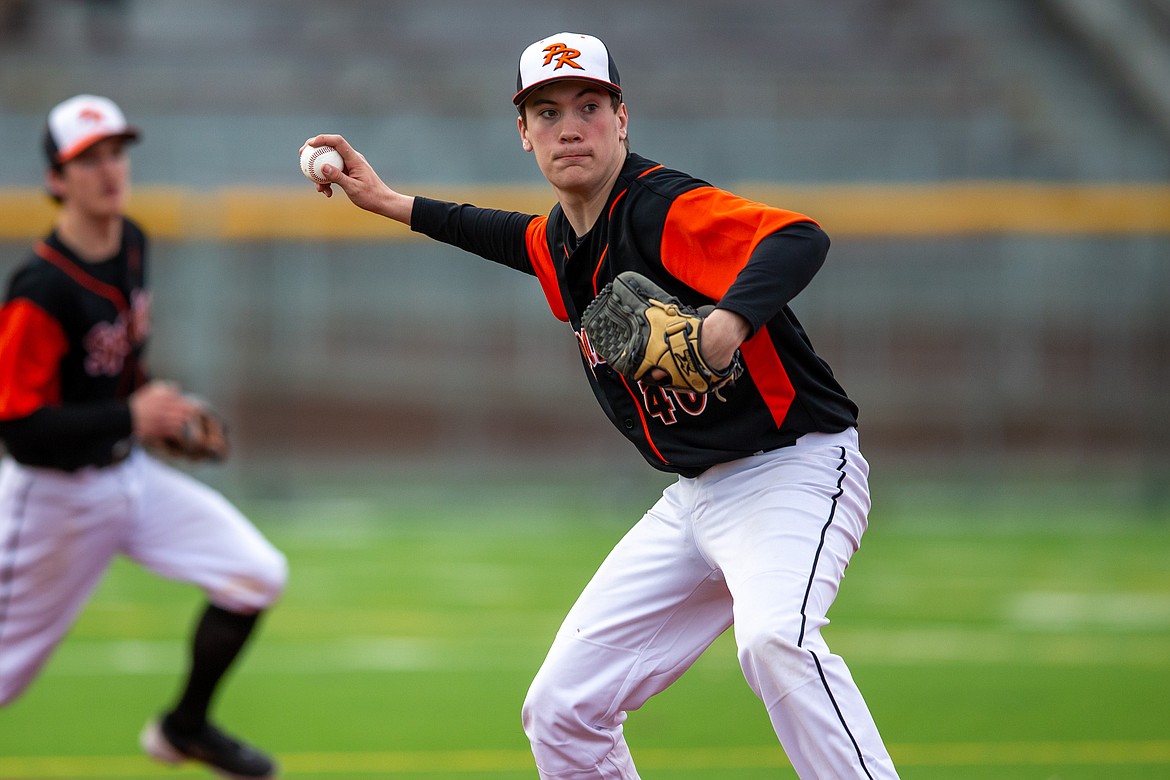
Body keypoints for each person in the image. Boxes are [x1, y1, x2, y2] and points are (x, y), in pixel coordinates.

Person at [305, 32, 899, 779]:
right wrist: (389, 202)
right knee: (561, 708)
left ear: (622, 119)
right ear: (524, 135)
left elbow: (795, 237)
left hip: (793, 470)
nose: (570, 126)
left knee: (777, 640)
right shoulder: (560, 242)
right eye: (547, 112)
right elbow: (499, 233)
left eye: (590, 104)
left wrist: (727, 323)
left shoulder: (659, 208)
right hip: (695, 497)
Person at [0, 94, 288, 780]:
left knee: (255, 574)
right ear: (55, 180)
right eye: (88, 159)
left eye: (116, 153)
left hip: (128, 478)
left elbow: (121, 372)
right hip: (49, 502)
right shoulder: (39, 290)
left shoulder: (130, 242)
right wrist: (133, 417)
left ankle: (184, 727)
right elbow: (18, 426)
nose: (109, 170)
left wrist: (169, 417)